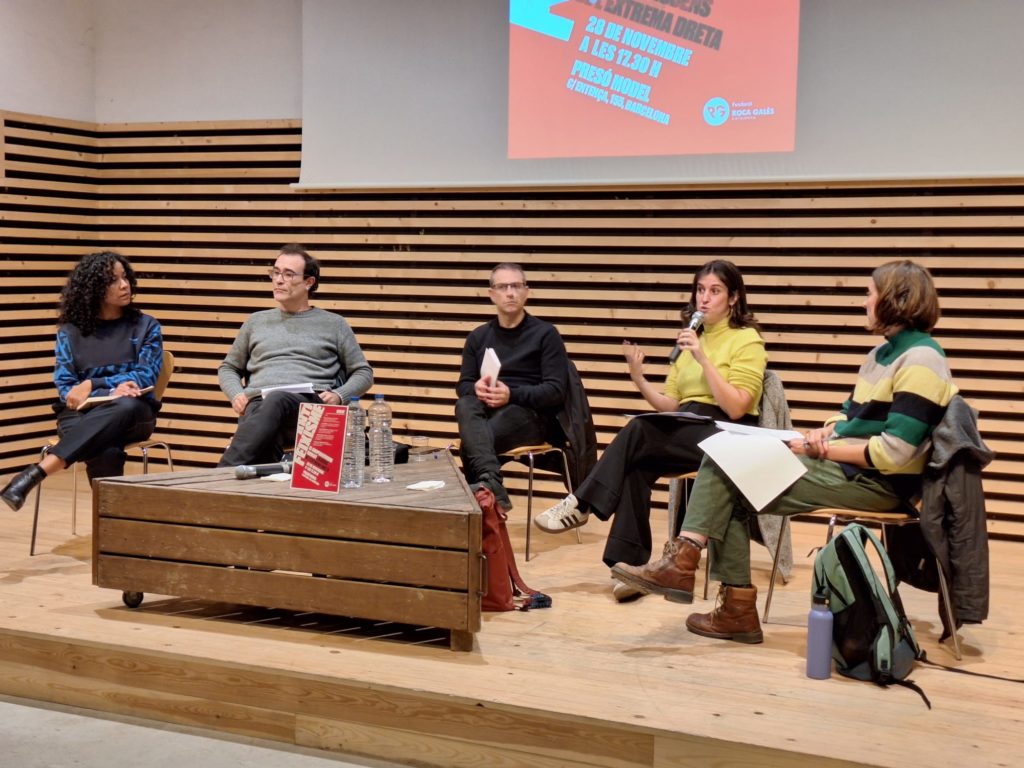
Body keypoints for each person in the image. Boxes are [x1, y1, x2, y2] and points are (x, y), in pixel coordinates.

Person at [613, 260, 957, 644]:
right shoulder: (882, 353)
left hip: (879, 483)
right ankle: (722, 599)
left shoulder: (922, 359)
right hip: (851, 468)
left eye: (870, 294)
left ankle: (700, 576)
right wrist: (825, 431)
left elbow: (894, 453)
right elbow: (850, 416)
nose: (865, 302)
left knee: (728, 472)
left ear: (895, 300)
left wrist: (824, 452)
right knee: (728, 468)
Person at [534, 260, 767, 590]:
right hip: (688, 425)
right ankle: (630, 569)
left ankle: (581, 502)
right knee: (636, 465)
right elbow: (671, 404)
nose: (704, 298)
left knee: (640, 431)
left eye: (715, 291)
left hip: (728, 432)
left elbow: (737, 406)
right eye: (700, 290)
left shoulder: (746, 340)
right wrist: (639, 379)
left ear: (733, 298)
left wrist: (702, 358)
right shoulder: (692, 338)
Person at [2, 251, 163, 511]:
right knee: (105, 448)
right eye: (113, 280)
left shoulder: (146, 326)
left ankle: (37, 472)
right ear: (93, 288)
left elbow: (146, 375)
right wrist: (107, 389)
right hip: (80, 414)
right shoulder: (70, 333)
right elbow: (66, 386)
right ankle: (113, 525)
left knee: (124, 405)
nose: (124, 285)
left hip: (134, 413)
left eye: (125, 277)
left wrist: (92, 384)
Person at [217, 244, 373, 467]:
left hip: (310, 407)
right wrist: (236, 394)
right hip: (260, 407)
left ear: (309, 282)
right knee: (266, 420)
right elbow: (229, 367)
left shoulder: (334, 324)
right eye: (276, 273)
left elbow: (363, 372)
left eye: (288, 274)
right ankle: (256, 477)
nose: (279, 280)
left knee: (277, 399)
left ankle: (223, 472)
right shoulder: (255, 322)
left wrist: (339, 395)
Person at [455, 263, 570, 511]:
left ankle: (488, 495)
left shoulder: (546, 334)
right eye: (503, 287)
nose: (510, 293)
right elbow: (463, 385)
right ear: (491, 294)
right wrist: (476, 389)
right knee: (465, 404)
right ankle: (492, 485)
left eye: (516, 286)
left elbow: (556, 390)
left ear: (526, 291)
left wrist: (511, 394)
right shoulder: (478, 337)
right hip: (489, 412)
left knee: (471, 446)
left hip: (531, 416)